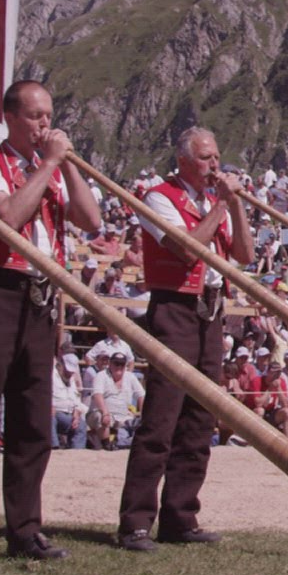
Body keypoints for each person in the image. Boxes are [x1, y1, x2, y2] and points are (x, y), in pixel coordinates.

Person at [0, 80, 101, 572]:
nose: (44, 124)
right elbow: (7, 218)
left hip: (42, 298)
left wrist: (66, 166)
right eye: (34, 116)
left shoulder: (49, 169)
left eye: (48, 115)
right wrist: (48, 164)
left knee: (32, 420)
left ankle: (25, 528)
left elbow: (90, 220)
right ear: (10, 118)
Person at [117, 127, 254, 551]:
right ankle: (136, 522)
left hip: (210, 310)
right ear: (183, 161)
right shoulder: (159, 197)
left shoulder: (213, 202)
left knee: (199, 417)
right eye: (205, 158)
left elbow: (245, 255)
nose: (214, 165)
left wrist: (236, 205)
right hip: (175, 306)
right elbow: (188, 250)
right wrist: (221, 204)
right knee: (162, 416)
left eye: (216, 156)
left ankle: (181, 517)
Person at [90, 353, 144, 448]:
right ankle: (106, 445)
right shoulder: (101, 375)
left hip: (123, 416)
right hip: (103, 413)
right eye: (116, 363)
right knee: (100, 416)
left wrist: (144, 414)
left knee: (138, 423)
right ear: (110, 363)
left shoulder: (130, 377)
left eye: (122, 364)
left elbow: (141, 395)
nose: (119, 366)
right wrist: (105, 413)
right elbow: (97, 395)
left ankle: (121, 444)